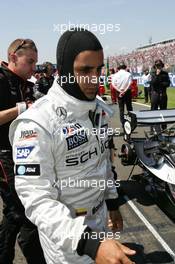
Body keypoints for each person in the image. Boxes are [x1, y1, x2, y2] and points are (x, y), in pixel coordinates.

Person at [9, 29, 136, 264]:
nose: (94, 78)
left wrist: (112, 201)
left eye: (98, 70)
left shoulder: (97, 109)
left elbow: (102, 161)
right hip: (67, 241)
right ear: (66, 70)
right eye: (85, 70)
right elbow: (37, 199)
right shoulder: (38, 122)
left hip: (101, 223)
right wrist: (89, 243)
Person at [0, 38, 46, 264]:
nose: (33, 67)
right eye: (30, 61)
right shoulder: (0, 79)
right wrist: (23, 108)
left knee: (14, 212)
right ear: (13, 57)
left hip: (26, 152)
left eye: (35, 62)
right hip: (3, 155)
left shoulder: (27, 84)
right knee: (24, 210)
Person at [111, 63, 133, 127]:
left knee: (121, 108)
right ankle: (130, 120)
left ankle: (123, 122)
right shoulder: (128, 74)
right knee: (129, 107)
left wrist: (120, 91)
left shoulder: (116, 75)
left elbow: (113, 84)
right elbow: (130, 83)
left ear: (119, 68)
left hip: (119, 91)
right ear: (125, 67)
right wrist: (124, 90)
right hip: (127, 92)